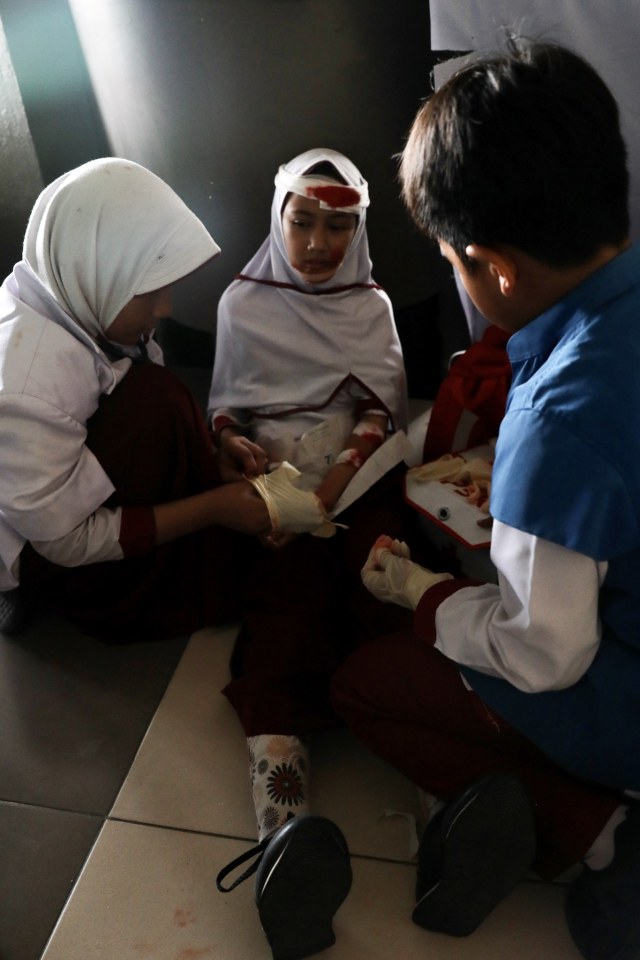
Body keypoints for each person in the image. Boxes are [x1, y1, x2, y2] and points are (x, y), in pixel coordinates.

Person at [329, 37, 640, 960]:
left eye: (452, 263)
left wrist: (424, 602)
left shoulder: (557, 420)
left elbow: (546, 653)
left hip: (619, 687)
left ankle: (594, 828)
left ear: (494, 269)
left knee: (366, 686)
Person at [211, 148, 415, 960]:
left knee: (384, 585)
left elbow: (381, 410)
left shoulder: (370, 307)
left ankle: (450, 802)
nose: (320, 245)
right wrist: (242, 457)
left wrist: (335, 482)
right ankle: (284, 836)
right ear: (278, 218)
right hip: (277, 487)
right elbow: (224, 410)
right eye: (303, 222)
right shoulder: (240, 302)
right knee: (284, 611)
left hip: (353, 476)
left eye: (340, 226)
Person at [0, 158, 330, 644]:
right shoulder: (28, 382)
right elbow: (65, 541)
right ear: (100, 275)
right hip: (44, 549)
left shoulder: (79, 299)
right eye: (148, 294)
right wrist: (212, 508)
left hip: (64, 497)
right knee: (158, 400)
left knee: (163, 395)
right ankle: (91, 595)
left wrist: (211, 455)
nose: (166, 308)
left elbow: (143, 392)